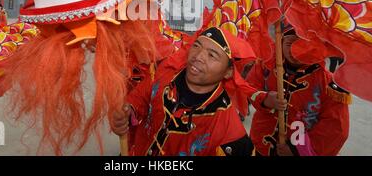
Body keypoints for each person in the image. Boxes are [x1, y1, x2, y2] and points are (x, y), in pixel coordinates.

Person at [111, 26, 273, 156]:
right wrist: (127, 112)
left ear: (228, 72)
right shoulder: (166, 73)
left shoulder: (229, 132)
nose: (199, 56)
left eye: (212, 55)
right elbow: (141, 97)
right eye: (197, 46)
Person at [246, 26, 350, 156]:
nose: (294, 50)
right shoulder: (265, 64)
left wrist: (297, 150)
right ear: (281, 41)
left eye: (302, 44)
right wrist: (265, 99)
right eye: (289, 43)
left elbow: (336, 128)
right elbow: (249, 88)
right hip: (260, 142)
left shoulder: (328, 82)